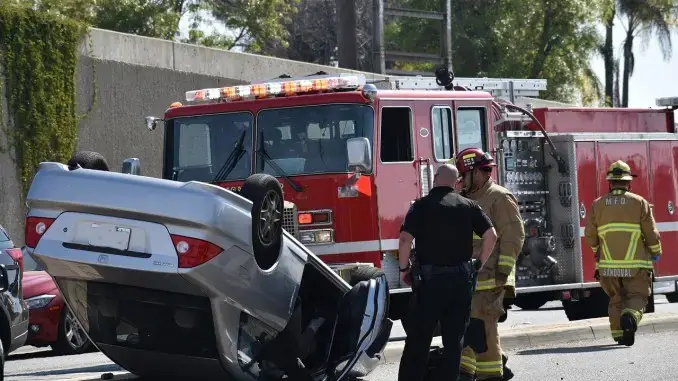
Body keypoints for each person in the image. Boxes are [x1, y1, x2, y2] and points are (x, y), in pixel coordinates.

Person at [397, 163, 498, 381]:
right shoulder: (469, 205)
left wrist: (404, 269)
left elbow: (405, 239)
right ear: (456, 182)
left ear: (434, 179)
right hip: (460, 283)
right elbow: (491, 235)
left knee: (419, 340)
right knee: (454, 342)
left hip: (430, 283)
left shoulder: (421, 206)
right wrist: (478, 264)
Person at [451, 148, 524, 381]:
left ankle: (492, 374)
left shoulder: (499, 197)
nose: (461, 179)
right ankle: (468, 370)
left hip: (491, 275)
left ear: (477, 173)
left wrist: (503, 270)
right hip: (470, 276)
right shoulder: (467, 197)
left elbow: (514, 235)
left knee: (483, 326)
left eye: (464, 174)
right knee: (470, 324)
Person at [584, 160, 662, 347]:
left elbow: (590, 235)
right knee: (637, 296)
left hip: (608, 267)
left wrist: (597, 252)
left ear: (609, 182)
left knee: (616, 298)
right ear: (629, 183)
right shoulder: (640, 203)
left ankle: (619, 334)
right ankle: (630, 317)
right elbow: (651, 233)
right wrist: (656, 251)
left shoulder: (597, 205)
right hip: (636, 265)